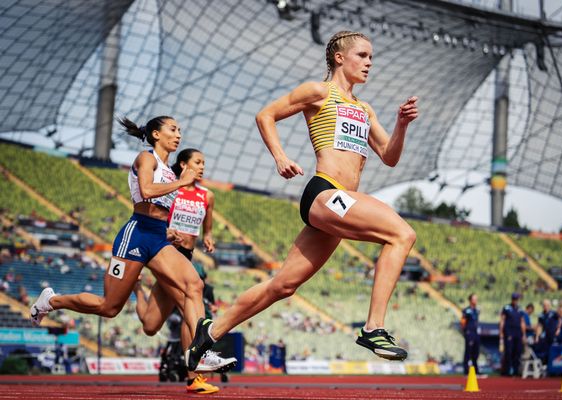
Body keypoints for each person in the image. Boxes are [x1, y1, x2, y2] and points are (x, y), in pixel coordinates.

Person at [185, 30, 419, 371]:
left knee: (283, 285)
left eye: (371, 57)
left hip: (341, 204)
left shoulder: (364, 109)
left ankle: (209, 333)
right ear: (340, 57)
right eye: (363, 56)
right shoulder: (318, 92)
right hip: (325, 192)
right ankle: (373, 328)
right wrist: (280, 157)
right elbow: (265, 115)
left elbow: (389, 155)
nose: (369, 63)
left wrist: (401, 125)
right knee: (402, 234)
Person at [29, 117, 230, 393]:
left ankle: (198, 356)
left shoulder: (172, 175)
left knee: (194, 285)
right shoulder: (146, 159)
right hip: (135, 236)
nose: (179, 135)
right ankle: (51, 301)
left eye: (180, 130)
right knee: (109, 307)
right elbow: (146, 192)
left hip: (158, 237)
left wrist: (172, 230)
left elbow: (162, 208)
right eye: (173, 129)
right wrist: (182, 183)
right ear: (156, 134)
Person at [133, 148, 234, 391]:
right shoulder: (172, 191)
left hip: (187, 256)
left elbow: (206, 226)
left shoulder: (207, 196)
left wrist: (208, 237)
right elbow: (156, 218)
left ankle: (136, 289)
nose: (202, 167)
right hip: (166, 253)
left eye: (204, 163)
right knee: (190, 307)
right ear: (182, 164)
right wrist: (166, 233)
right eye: (197, 162)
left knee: (150, 325)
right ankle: (194, 378)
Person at [499, 292, 526, 376]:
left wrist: (524, 334)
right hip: (509, 332)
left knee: (517, 351)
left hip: (518, 333)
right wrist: (501, 334)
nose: (516, 300)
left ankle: (516, 370)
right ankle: (507, 370)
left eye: (517, 299)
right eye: (514, 299)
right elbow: (502, 320)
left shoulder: (520, 309)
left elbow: (522, 322)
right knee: (509, 352)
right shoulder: (507, 308)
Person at [535, 299, 562, 364]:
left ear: (549, 306)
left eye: (547, 305)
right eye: (544, 305)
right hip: (545, 336)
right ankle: (546, 365)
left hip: (553, 335)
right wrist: (537, 336)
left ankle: (555, 366)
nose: (545, 306)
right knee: (545, 351)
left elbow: (560, 320)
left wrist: (558, 329)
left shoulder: (553, 313)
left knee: (554, 350)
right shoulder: (541, 315)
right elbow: (539, 326)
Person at [461, 293, 480, 375]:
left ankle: (475, 370)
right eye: (474, 299)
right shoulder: (466, 310)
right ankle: (466, 371)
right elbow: (462, 322)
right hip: (469, 333)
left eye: (476, 299)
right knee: (468, 352)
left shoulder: (477, 310)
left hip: (476, 333)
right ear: (470, 300)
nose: (476, 301)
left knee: (476, 352)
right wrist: (466, 332)